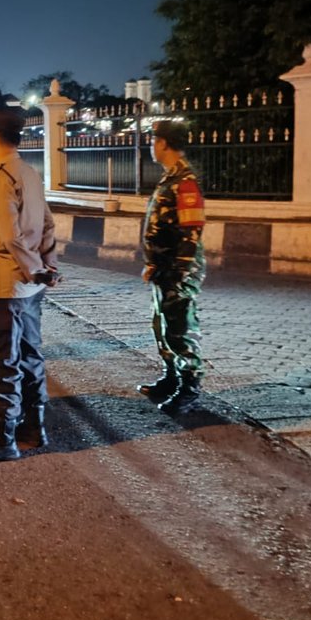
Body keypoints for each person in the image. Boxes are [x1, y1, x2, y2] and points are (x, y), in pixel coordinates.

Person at [0, 108, 60, 465]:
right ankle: (34, 428)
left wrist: (35, 269)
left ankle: (4, 439)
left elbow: (8, 235)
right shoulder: (31, 173)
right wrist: (46, 266)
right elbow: (48, 224)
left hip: (3, 286)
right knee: (31, 357)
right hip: (30, 289)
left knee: (3, 362)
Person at [137, 119, 207, 414]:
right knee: (163, 326)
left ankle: (189, 388)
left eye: (153, 139)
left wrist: (178, 274)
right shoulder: (170, 178)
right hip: (164, 269)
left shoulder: (184, 181)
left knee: (180, 329)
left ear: (163, 142)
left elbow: (191, 234)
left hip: (178, 272)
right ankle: (171, 377)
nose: (151, 145)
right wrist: (154, 264)